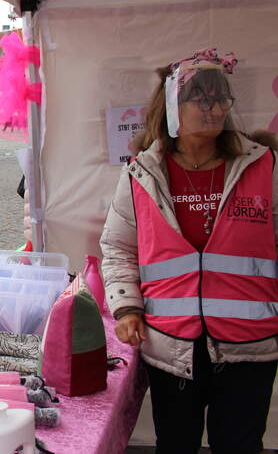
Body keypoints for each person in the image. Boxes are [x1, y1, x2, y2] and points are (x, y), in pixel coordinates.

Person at [101, 49, 277, 454]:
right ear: (171, 107)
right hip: (171, 345)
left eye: (220, 97)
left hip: (250, 345)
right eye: (200, 97)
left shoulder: (264, 165)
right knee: (176, 444)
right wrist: (127, 307)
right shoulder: (141, 174)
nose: (213, 108)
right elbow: (118, 247)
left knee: (240, 445)